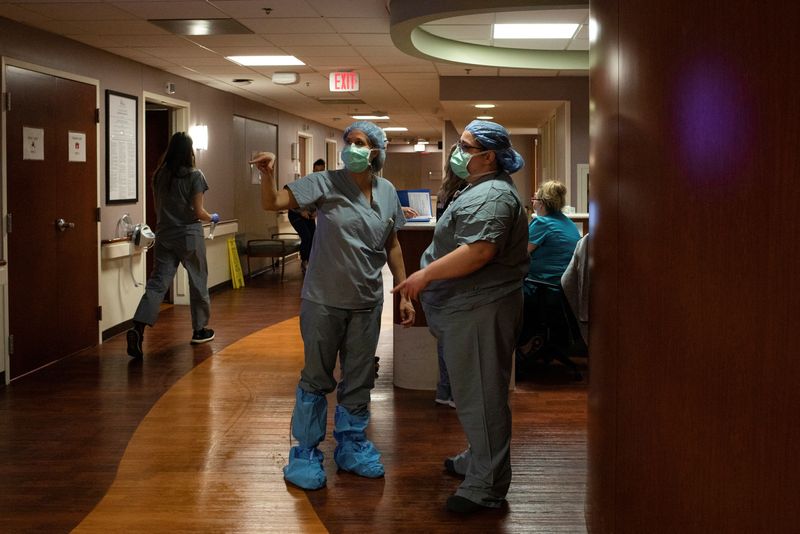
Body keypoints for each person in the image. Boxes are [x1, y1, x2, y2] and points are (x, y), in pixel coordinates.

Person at [250, 121, 415, 491]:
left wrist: (403, 291)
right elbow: (272, 202)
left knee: (359, 377)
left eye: (360, 143)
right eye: (349, 142)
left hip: (367, 301)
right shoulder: (324, 184)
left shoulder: (387, 192)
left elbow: (392, 243)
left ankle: (352, 446)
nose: (351, 148)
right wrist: (267, 174)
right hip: (324, 299)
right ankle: (306, 452)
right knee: (317, 375)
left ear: (376, 151)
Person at [393, 120, 528, 514]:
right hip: (467, 310)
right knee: (473, 395)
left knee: (482, 397)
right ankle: (479, 459)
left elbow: (479, 252)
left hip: (481, 311)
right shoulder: (480, 189)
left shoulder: (494, 197)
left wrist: (423, 274)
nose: (457, 151)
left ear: (488, 156)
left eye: (465, 147)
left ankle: (486, 488)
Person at [126, 132, 218, 358]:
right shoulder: (195, 175)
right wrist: (212, 217)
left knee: (158, 283)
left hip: (164, 234)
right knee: (198, 280)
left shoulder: (159, 175)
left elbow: (160, 207)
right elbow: (198, 211)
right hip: (188, 234)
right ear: (190, 151)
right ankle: (199, 330)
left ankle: (138, 326)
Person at [518, 181, 581, 351]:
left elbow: (519, 255)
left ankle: (522, 346)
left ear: (542, 202)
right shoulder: (567, 223)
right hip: (561, 287)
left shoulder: (542, 223)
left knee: (504, 292)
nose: (533, 202)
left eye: (535, 198)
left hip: (543, 285)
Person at [433, 143, 467, 409]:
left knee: (447, 332)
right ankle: (454, 390)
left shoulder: (444, 192)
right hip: (459, 269)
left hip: (443, 268)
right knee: (457, 334)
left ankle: (446, 388)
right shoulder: (467, 192)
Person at [288, 158, 324, 274]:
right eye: (316, 171)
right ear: (313, 170)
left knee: (314, 237)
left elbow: (322, 202)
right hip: (296, 213)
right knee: (307, 237)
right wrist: (301, 211)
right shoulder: (305, 182)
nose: (318, 173)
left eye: (321, 171)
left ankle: (311, 261)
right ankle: (304, 261)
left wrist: (317, 212)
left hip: (309, 215)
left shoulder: (324, 185)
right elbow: (291, 201)